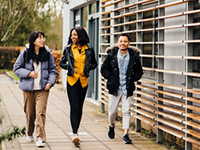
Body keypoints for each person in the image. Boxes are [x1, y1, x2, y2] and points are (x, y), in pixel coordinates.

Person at [14, 31, 57, 147]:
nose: (42, 40)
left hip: (43, 89)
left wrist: (50, 83)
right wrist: (29, 73)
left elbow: (53, 70)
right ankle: (29, 132)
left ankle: (40, 138)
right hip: (28, 89)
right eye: (39, 38)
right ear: (33, 41)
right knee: (30, 113)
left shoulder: (47, 53)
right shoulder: (25, 53)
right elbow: (16, 69)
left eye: (43, 38)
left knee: (40, 113)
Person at [100, 33, 143, 144]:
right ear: (118, 43)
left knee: (126, 111)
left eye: (125, 41)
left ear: (128, 43)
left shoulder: (134, 56)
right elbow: (103, 69)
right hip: (115, 87)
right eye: (121, 41)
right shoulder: (111, 55)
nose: (123, 43)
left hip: (127, 88)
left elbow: (139, 71)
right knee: (112, 111)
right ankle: (111, 125)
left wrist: (133, 78)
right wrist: (110, 77)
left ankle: (125, 134)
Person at [59, 26, 97, 146]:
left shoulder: (89, 49)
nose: (73, 37)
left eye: (75, 35)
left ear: (81, 35)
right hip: (72, 81)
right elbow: (61, 63)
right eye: (72, 35)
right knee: (74, 106)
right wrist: (69, 68)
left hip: (83, 81)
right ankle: (74, 133)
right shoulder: (68, 49)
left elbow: (94, 63)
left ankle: (76, 130)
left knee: (80, 107)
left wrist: (88, 68)